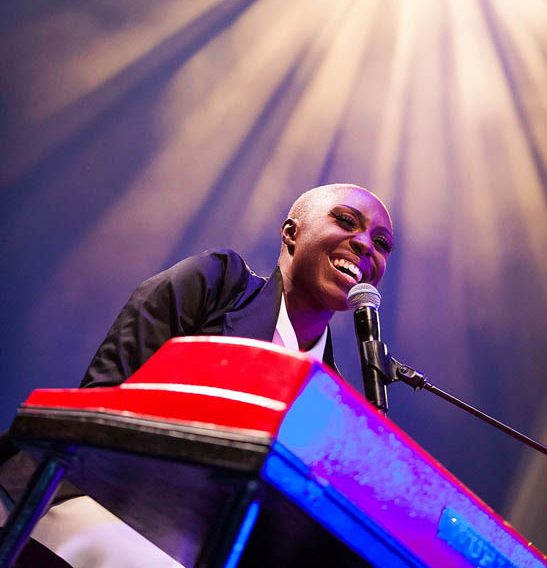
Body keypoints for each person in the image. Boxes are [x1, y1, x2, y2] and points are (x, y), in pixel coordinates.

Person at [1, 183, 393, 567]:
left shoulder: (331, 398)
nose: (365, 246)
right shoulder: (217, 284)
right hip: (92, 498)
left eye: (381, 244)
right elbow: (105, 395)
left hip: (204, 546)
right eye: (346, 221)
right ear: (292, 233)